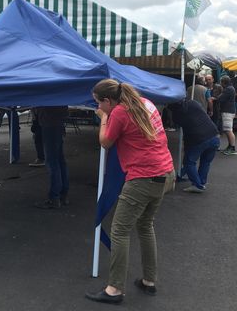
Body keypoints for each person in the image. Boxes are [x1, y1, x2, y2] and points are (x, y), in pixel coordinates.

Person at [86, 79, 174, 305]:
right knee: (145, 226)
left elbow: (105, 142)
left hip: (143, 177)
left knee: (119, 230)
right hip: (165, 173)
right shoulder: (145, 102)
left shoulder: (119, 112)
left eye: (99, 103)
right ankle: (149, 281)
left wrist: (104, 119)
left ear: (107, 100)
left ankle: (114, 289)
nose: (99, 107)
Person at [168, 99, 220, 193]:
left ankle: (197, 185)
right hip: (214, 135)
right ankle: (201, 183)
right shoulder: (193, 103)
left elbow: (187, 133)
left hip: (199, 139)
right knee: (205, 162)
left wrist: (187, 148)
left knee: (188, 162)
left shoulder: (177, 116)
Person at [34, 106, 68, 208]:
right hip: (57, 122)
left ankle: (54, 197)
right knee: (59, 160)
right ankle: (63, 195)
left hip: (49, 122)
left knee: (52, 161)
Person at [214, 75, 237, 155]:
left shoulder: (228, 89)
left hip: (228, 111)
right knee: (228, 130)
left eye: (221, 82)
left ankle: (232, 148)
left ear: (224, 82)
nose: (220, 84)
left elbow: (220, 99)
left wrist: (216, 98)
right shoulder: (231, 88)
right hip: (229, 111)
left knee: (228, 130)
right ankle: (230, 146)